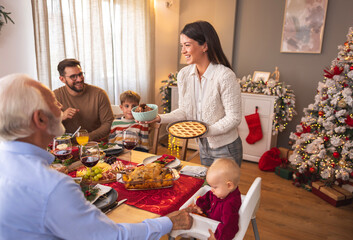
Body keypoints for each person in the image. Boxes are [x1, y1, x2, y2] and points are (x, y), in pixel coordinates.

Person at [0, 73, 193, 239]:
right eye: (54, 102)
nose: (60, 107)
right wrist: (168, 222)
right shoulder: (52, 186)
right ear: (40, 118)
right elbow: (112, 237)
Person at [147, 21, 242, 166]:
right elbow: (185, 111)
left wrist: (204, 130)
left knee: (226, 188)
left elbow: (234, 117)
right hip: (203, 144)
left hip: (226, 147)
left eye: (187, 45)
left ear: (205, 46)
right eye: (181, 46)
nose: (183, 51)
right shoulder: (184, 75)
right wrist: (159, 118)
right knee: (209, 187)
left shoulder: (224, 75)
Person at [54, 58, 114, 141]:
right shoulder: (55, 96)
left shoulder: (99, 94)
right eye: (73, 76)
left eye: (80, 74)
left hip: (96, 146)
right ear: (62, 79)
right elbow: (45, 126)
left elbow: (108, 123)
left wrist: (86, 138)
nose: (79, 79)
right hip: (67, 147)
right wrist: (61, 117)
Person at [186, 158, 241, 240]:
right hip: (210, 218)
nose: (211, 189)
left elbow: (230, 226)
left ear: (229, 185)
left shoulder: (229, 205)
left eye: (215, 187)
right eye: (211, 186)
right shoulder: (221, 192)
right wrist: (200, 207)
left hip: (214, 230)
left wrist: (217, 237)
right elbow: (208, 197)